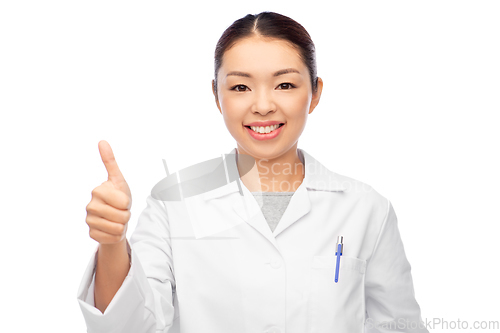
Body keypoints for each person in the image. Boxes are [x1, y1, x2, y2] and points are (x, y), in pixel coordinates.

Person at [77, 11, 429, 333]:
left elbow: (400, 328)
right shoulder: (173, 203)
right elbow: (127, 327)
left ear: (315, 94)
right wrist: (112, 245)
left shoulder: (366, 209)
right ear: (217, 96)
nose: (262, 105)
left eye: (285, 85)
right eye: (240, 87)